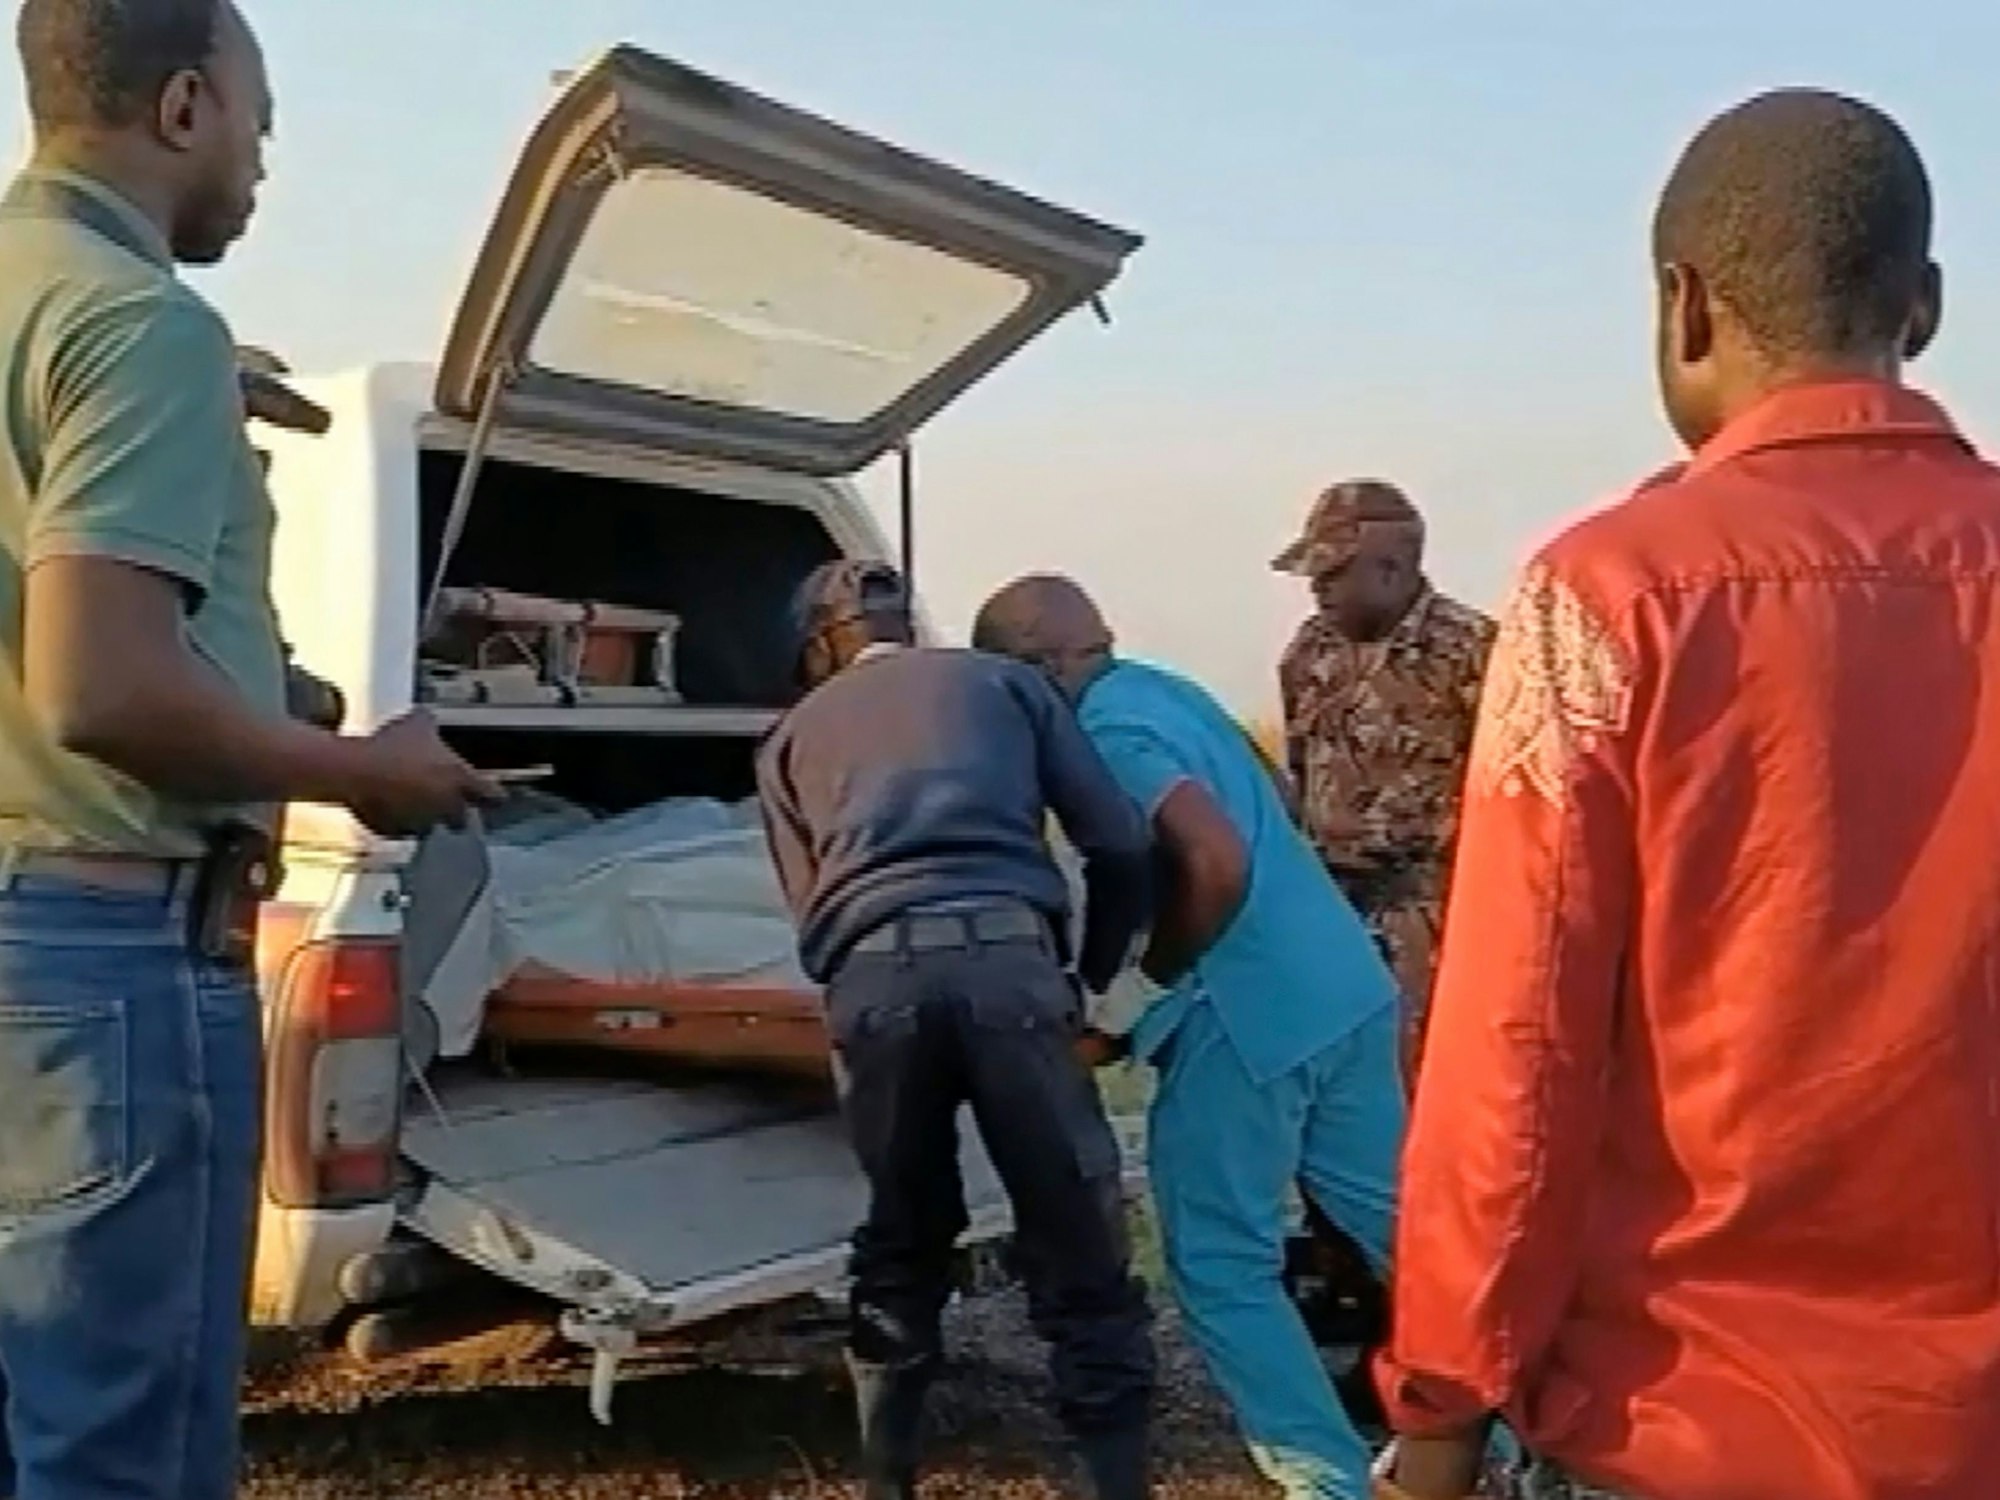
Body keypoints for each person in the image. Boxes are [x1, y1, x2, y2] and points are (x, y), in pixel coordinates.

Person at [1375, 89, 2000, 1500]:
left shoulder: (1608, 596)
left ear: (1685, 307)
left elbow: (1519, 1057)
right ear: (1928, 307)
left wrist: (1442, 1401)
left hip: (1694, 1422)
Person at [0, 4, 499, 1497]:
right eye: (261, 125)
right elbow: (101, 689)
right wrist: (371, 776)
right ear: (184, 107)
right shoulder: (141, 323)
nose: (265, 162)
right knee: (121, 1457)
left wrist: (286, 691)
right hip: (107, 966)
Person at [974, 574, 1404, 1500]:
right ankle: (1525, 1430)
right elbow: (1275, 801)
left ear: (1032, 670)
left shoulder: (1106, 732)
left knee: (1220, 1262)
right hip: (1341, 981)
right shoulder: (1164, 688)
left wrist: (1143, 986)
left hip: (1245, 1017)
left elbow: (1214, 859)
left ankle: (1327, 1482)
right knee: (1409, 1232)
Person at [754, 559, 1157, 1500]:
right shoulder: (1006, 685)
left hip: (875, 983)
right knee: (1078, 1240)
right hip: (1012, 967)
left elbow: (808, 910)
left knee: (901, 1238)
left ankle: (888, 1482)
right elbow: (1121, 843)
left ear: (820, 646)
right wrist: (1090, 981)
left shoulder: (788, 738)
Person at [1273, 479, 1493, 1082]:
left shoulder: (1472, 650)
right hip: (1331, 913)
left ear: (1393, 568)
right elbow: (1301, 771)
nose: (1318, 589)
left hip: (1436, 915)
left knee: (1433, 1085)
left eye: (1334, 572)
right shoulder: (1308, 653)